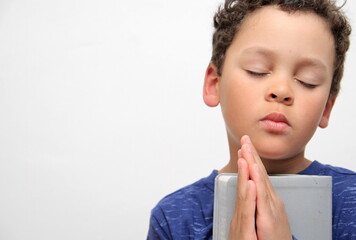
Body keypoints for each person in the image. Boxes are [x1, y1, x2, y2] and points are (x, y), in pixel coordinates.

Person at [147, 0, 356, 239]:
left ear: (327, 106)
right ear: (215, 83)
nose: (282, 90)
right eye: (257, 70)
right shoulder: (173, 220)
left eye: (308, 80)